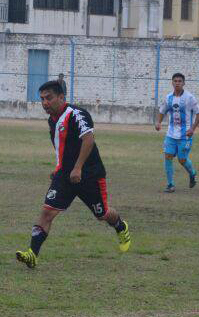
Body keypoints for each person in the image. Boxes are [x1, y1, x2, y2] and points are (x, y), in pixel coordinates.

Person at [15, 80, 131, 269]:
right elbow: (63, 146)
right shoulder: (52, 120)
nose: (45, 102)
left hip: (90, 174)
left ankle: (120, 226)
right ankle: (32, 254)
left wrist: (77, 168)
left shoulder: (76, 114)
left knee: (102, 214)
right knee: (47, 212)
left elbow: (88, 139)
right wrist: (60, 167)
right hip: (65, 176)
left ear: (61, 97)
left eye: (49, 98)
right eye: (42, 99)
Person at [155, 73, 199, 193]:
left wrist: (192, 129)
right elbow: (162, 110)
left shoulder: (189, 97)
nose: (177, 83)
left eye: (180, 81)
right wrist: (158, 122)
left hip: (185, 135)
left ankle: (193, 173)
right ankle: (170, 185)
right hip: (170, 134)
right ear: (172, 82)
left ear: (183, 83)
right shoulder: (168, 97)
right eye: (175, 81)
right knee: (168, 157)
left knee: (182, 160)